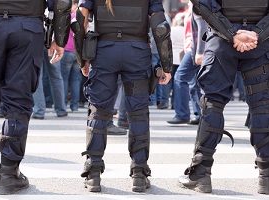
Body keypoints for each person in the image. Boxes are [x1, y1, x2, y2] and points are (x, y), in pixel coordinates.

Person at [0, 0, 71, 195]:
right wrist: (59, 39)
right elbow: (62, 3)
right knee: (18, 101)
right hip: (27, 28)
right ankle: (9, 173)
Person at [73, 0, 172, 193]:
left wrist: (82, 57)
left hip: (104, 52)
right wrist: (166, 65)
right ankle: (139, 174)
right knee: (138, 113)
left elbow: (80, 18)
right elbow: (160, 25)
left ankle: (93, 172)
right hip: (137, 52)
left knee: (98, 112)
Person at [178, 0, 269, 195]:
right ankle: (267, 175)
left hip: (221, 42)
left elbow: (204, 6)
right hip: (259, 44)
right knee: (261, 105)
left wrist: (231, 33)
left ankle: (201, 172)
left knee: (212, 104)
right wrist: (257, 34)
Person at [167, 0, 206, 125]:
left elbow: (202, 28)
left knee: (180, 78)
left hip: (194, 49)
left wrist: (199, 51)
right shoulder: (192, 7)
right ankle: (199, 114)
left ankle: (182, 114)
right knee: (194, 83)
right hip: (193, 48)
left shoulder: (197, 6)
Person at [32, 48, 68, 119]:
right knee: (56, 76)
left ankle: (39, 111)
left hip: (35, 41)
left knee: (37, 76)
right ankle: (61, 109)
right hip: (51, 40)